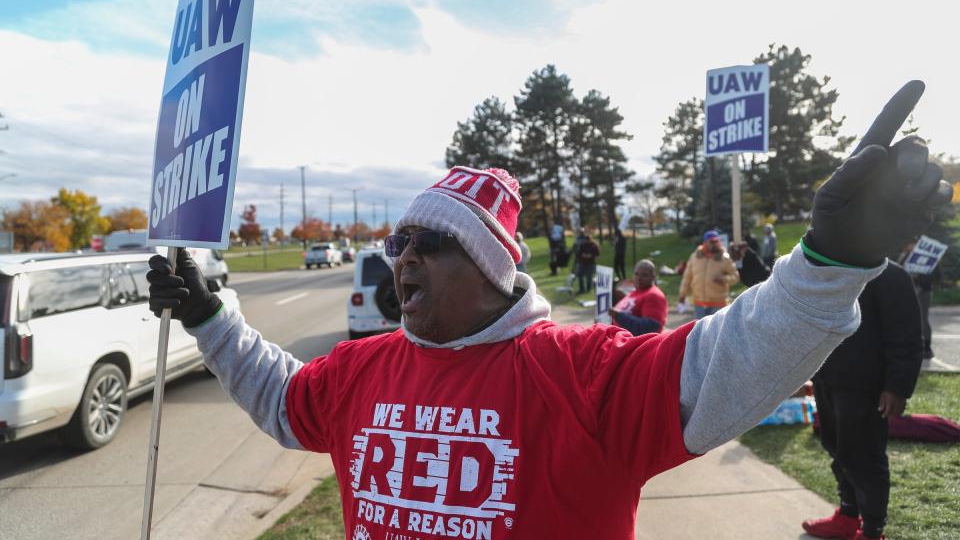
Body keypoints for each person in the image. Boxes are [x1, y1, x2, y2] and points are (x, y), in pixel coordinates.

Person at [147, 81, 951, 539]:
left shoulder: (579, 373)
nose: (404, 255)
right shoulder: (361, 369)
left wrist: (831, 265)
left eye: (431, 240)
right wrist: (214, 317)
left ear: (492, 270)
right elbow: (283, 401)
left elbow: (731, 358)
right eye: (401, 238)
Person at [801, 261, 923, 540]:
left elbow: (906, 336)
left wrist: (897, 387)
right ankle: (847, 516)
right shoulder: (832, 271)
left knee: (864, 457)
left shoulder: (890, 275)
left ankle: (872, 530)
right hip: (828, 378)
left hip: (866, 386)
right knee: (837, 450)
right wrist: (746, 263)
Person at [678, 230, 740, 319]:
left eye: (717, 241)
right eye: (712, 242)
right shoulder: (694, 257)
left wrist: (723, 279)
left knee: (716, 331)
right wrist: (682, 295)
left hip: (718, 304)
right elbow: (687, 278)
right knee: (700, 330)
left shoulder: (725, 258)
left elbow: (735, 277)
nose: (715, 244)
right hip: (699, 303)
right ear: (705, 242)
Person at [897, 239, 940, 359]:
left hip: (923, 291)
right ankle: (913, 347)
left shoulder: (928, 257)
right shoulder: (904, 256)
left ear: (915, 245)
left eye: (907, 244)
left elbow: (936, 276)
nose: (905, 247)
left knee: (922, 319)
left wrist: (920, 280)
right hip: (907, 292)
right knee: (909, 320)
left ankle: (927, 348)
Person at [608, 259, 668, 336]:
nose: (639, 278)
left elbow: (650, 328)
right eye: (636, 274)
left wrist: (619, 316)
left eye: (644, 275)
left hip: (636, 345)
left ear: (653, 277)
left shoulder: (654, 295)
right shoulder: (635, 292)